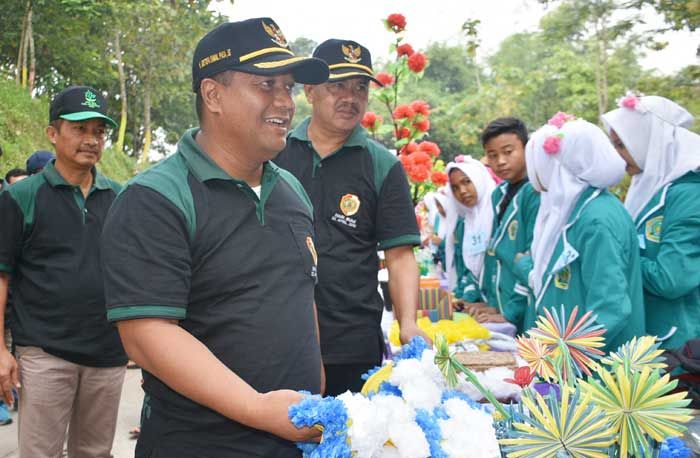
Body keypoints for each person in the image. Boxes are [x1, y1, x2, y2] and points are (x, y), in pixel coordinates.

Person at [100, 18, 329, 457]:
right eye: (266, 85)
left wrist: (313, 385)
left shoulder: (291, 191)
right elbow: (147, 333)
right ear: (213, 94)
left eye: (289, 87)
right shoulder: (157, 197)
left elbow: (302, 295)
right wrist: (260, 409)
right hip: (200, 444)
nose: (285, 101)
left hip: (296, 440)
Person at [274, 38, 428, 396]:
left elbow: (400, 254)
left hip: (352, 339)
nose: (350, 97)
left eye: (360, 87)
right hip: (278, 333)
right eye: (337, 85)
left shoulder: (381, 165)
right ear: (310, 91)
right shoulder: (275, 154)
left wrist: (408, 322)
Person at [0, 85, 127, 457]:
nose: (91, 140)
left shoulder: (120, 199)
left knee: (94, 453)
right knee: (41, 453)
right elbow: (2, 274)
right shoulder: (21, 198)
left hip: (108, 353)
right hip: (45, 353)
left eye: (98, 131)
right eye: (80, 129)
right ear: (53, 134)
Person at [520, 115, 645, 351]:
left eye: (540, 167)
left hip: (598, 370)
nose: (535, 178)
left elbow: (610, 310)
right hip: (570, 365)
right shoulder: (575, 210)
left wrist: (562, 357)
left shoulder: (596, 219)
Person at [602, 95, 700, 350]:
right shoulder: (646, 187)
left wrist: (619, 256)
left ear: (650, 141)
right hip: (649, 336)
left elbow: (671, 279)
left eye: (621, 145)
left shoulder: (689, 194)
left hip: (679, 345)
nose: (617, 155)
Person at [467, 118, 540, 332]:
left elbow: (531, 257)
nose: (500, 161)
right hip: (502, 306)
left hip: (525, 310)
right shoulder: (499, 194)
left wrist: (510, 312)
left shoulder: (535, 193)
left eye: (508, 152)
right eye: (492, 155)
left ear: (527, 149)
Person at [444, 157, 497, 308]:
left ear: (479, 179)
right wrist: (467, 297)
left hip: (503, 305)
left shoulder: (497, 214)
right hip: (482, 304)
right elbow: (470, 269)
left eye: (467, 182)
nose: (462, 191)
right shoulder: (467, 223)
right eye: (455, 187)